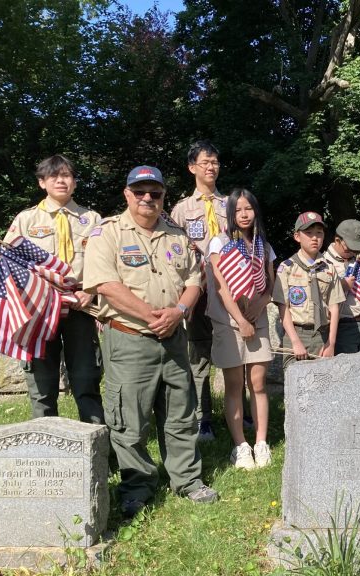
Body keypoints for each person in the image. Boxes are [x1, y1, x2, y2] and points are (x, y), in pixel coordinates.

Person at [83, 165, 218, 518]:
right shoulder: (107, 234)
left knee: (180, 413)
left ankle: (187, 480)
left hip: (173, 337)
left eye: (154, 193)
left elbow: (194, 279)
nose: (147, 198)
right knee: (129, 418)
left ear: (163, 196)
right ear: (127, 194)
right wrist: (151, 316)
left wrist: (178, 311)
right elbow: (106, 285)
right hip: (129, 339)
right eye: (139, 192)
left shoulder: (176, 234)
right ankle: (137, 485)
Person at [4, 154, 103, 424]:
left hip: (80, 307)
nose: (61, 181)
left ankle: (96, 445)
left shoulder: (92, 219)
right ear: (42, 183)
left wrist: (90, 293)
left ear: (75, 182)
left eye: (67, 175)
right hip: (39, 311)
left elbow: (104, 263)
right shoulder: (26, 220)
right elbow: (9, 264)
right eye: (54, 176)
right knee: (41, 381)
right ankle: (45, 441)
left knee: (86, 378)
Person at [207, 189, 275, 469]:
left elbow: (269, 286)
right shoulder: (219, 243)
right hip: (229, 322)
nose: (244, 215)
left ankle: (261, 441)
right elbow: (221, 287)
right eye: (238, 210)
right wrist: (242, 320)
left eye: (249, 209)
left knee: (257, 384)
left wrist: (258, 308)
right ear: (231, 214)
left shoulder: (263, 245)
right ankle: (241, 446)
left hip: (257, 320)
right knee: (234, 385)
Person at [170, 140, 227, 441]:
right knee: (200, 355)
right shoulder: (182, 210)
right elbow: (174, 252)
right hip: (201, 292)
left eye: (215, 161)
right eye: (205, 162)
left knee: (234, 351)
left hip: (230, 290)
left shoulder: (231, 204)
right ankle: (203, 417)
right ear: (192, 167)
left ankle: (237, 411)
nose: (211, 167)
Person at [273, 212, 345, 367]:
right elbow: (283, 307)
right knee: (295, 385)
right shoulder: (286, 268)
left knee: (322, 385)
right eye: (309, 233)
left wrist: (331, 343)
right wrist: (295, 341)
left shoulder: (329, 268)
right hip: (297, 332)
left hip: (322, 335)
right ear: (297, 237)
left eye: (319, 233)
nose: (314, 238)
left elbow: (334, 306)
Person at [324, 219, 360, 354]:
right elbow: (322, 295)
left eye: (356, 247)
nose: (353, 251)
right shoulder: (324, 263)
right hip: (345, 325)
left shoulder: (356, 259)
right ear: (337, 240)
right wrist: (342, 285)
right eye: (350, 246)